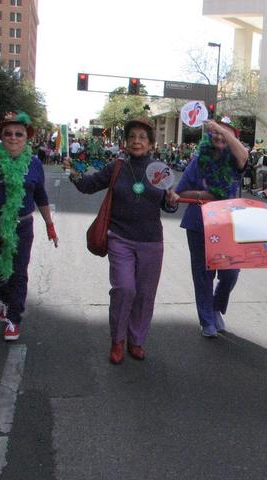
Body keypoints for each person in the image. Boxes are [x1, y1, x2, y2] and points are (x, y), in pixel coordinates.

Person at [64, 118, 180, 363]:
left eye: (142, 138)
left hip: (151, 241)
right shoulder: (116, 167)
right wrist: (73, 174)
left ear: (150, 144)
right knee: (124, 289)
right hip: (119, 238)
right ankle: (117, 340)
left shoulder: (160, 170)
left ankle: (136, 340)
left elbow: (167, 205)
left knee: (145, 294)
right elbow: (89, 185)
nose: (136, 141)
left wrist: (171, 201)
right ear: (125, 142)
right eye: (132, 137)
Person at [0, 112, 59, 341]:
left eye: (19, 134)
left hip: (22, 226)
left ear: (27, 138)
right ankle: (6, 301)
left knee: (18, 273)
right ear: (2, 137)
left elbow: (41, 196)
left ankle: (14, 318)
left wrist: (49, 224)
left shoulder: (34, 164)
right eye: (8, 134)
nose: (14, 138)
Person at [175, 118, 248, 338]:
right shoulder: (199, 160)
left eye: (224, 134)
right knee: (203, 275)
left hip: (228, 226)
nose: (218, 136)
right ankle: (206, 319)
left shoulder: (235, 161)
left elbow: (244, 155)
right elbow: (181, 192)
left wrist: (220, 128)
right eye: (215, 133)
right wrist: (204, 196)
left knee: (230, 274)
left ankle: (216, 306)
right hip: (198, 224)